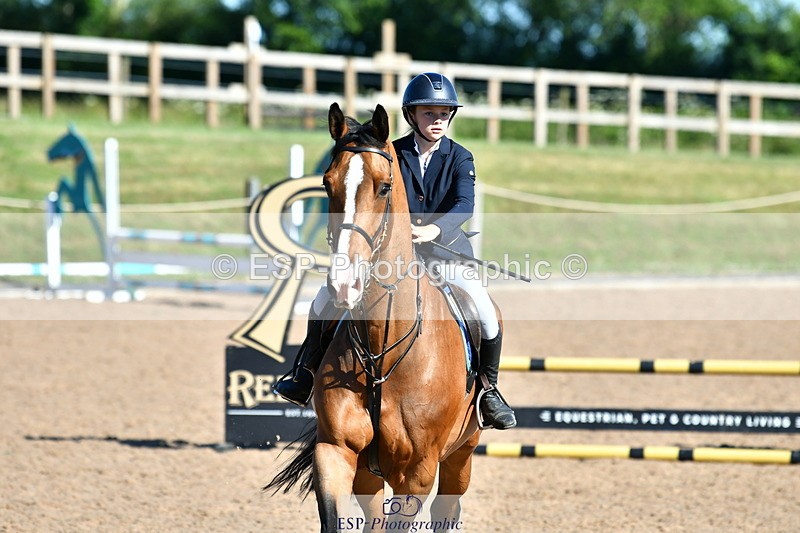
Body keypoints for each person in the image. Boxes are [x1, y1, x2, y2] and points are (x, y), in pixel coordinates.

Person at [273, 72, 517, 430]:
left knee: (483, 308)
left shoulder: (460, 157)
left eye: (444, 113)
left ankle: (488, 389)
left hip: (444, 252)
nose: (437, 120)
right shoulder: (391, 153)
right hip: (391, 256)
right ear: (411, 116)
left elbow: (464, 204)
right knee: (323, 300)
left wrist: (434, 228)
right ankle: (305, 373)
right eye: (429, 113)